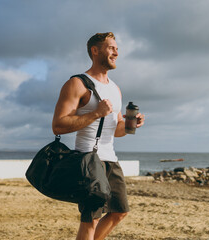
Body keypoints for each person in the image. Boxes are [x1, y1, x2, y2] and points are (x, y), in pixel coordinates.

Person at [52, 32, 145, 240]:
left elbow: (117, 129)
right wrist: (96, 113)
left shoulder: (115, 89)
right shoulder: (77, 83)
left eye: (117, 49)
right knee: (91, 219)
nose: (116, 52)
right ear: (95, 51)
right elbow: (58, 125)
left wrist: (132, 124)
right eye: (111, 48)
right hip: (88, 159)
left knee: (119, 212)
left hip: (110, 158)